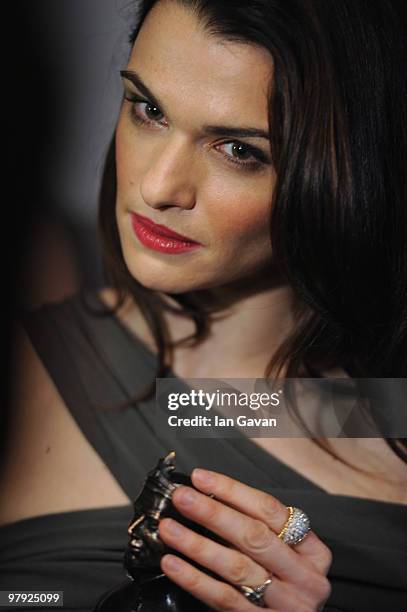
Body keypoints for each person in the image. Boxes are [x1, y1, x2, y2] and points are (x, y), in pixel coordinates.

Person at [1, 0, 406, 610]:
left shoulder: (380, 419)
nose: (159, 186)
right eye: (150, 110)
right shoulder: (22, 367)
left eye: (239, 150)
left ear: (347, 171)